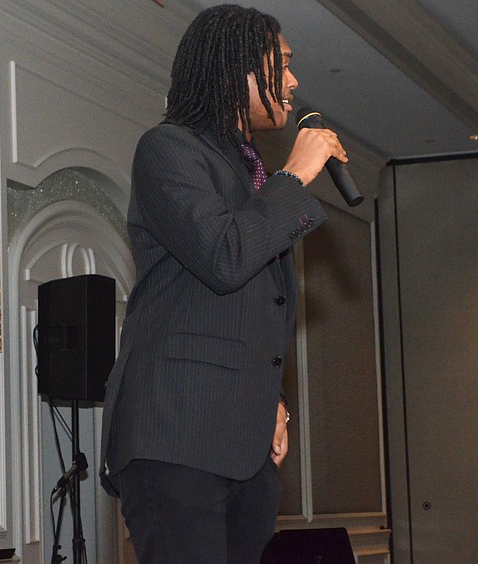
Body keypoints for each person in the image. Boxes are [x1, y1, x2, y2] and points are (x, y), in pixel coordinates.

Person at [99, 4, 348, 563]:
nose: (293, 81)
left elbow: (248, 308)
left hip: (243, 447)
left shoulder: (245, 169)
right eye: (281, 64)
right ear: (237, 67)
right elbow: (224, 256)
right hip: (176, 434)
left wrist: (271, 398)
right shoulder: (168, 149)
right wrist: (294, 177)